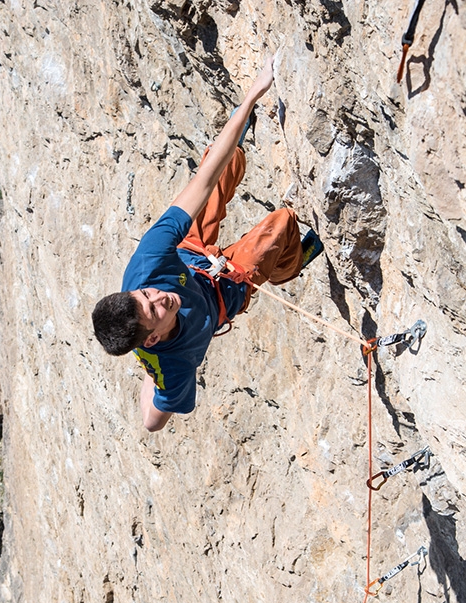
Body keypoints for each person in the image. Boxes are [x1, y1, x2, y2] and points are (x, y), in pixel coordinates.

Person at [92, 56, 322, 432]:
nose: (159, 297)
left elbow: (202, 181)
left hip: (190, 252)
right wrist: (151, 366)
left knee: (222, 165)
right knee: (281, 225)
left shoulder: (147, 264)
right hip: (226, 291)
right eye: (154, 309)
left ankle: (238, 127)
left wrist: (250, 97)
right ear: (152, 337)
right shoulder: (175, 366)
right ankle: (290, 265)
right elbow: (151, 422)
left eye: (146, 295)